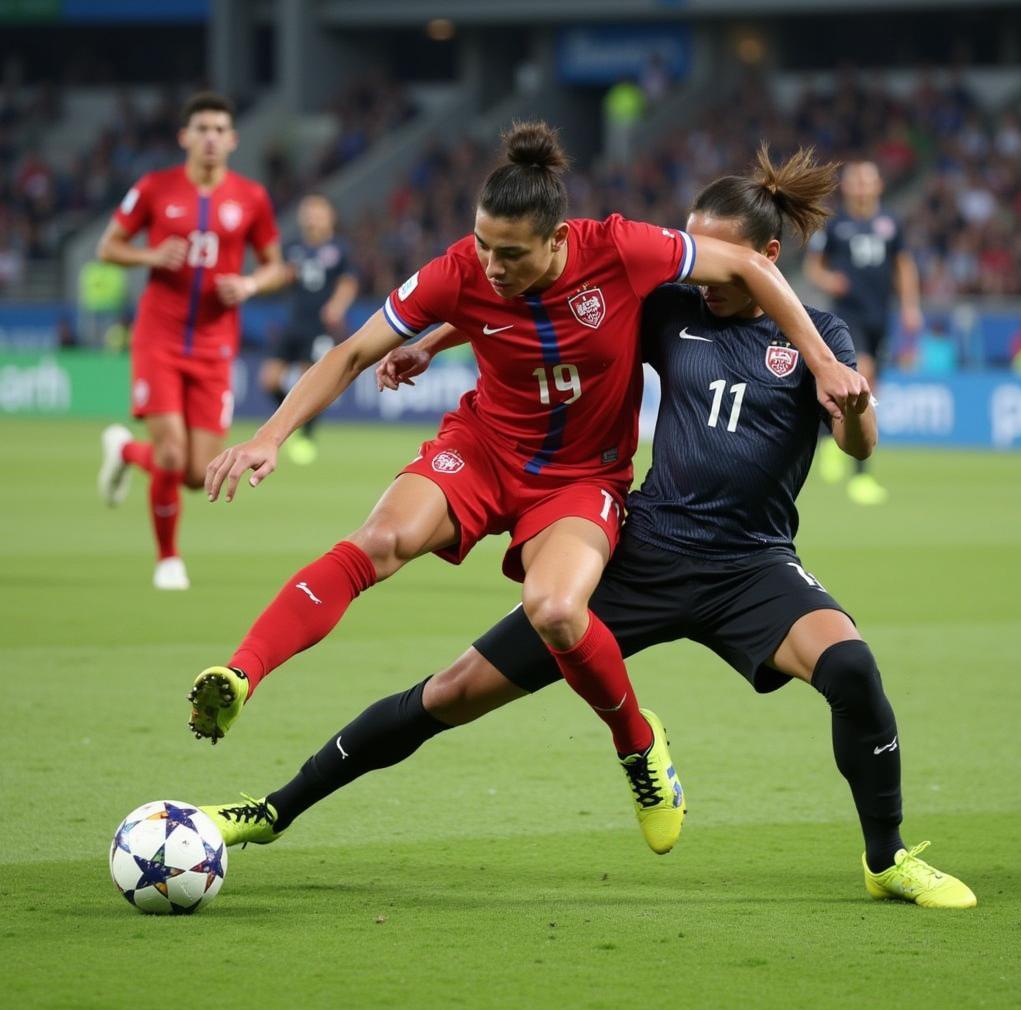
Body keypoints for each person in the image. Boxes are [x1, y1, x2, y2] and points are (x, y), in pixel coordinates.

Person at [199, 146, 973, 908]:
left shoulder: (817, 337)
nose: (699, 267)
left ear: (765, 256)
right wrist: (436, 339)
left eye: (718, 255)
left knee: (852, 669)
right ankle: (277, 807)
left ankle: (888, 859)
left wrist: (855, 404)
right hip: (643, 549)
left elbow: (855, 441)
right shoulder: (668, 307)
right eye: (694, 248)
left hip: (751, 565)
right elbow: (543, 313)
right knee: (450, 692)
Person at [95, 91, 290, 590]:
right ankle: (168, 559)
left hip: (214, 344)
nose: (210, 137)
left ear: (232, 139)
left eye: (219, 129)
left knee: (196, 472)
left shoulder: (251, 198)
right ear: (184, 136)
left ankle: (122, 453)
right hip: (158, 337)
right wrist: (151, 256)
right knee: (168, 454)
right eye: (201, 128)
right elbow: (108, 246)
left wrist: (248, 284)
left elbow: (275, 266)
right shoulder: (156, 188)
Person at [804, 159, 923, 505]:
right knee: (862, 378)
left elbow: (903, 265)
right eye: (855, 180)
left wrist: (911, 306)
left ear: (878, 186)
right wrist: (830, 280)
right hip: (847, 317)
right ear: (847, 186)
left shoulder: (890, 224)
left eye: (867, 180)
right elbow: (814, 267)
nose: (861, 186)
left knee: (872, 388)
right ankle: (860, 475)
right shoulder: (835, 225)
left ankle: (828, 436)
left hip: (879, 316)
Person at [260, 193, 358, 466]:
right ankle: (290, 421)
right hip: (294, 324)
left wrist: (337, 306)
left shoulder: (339, 249)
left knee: (307, 382)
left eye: (318, 212)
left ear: (330, 217)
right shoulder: (293, 248)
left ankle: (306, 436)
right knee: (269, 379)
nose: (313, 217)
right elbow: (281, 276)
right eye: (308, 211)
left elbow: (349, 282)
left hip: (319, 326)